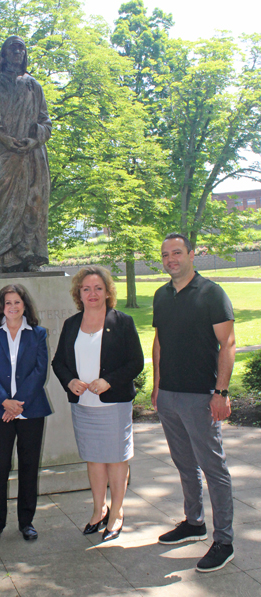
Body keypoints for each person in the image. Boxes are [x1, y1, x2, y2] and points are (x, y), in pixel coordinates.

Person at [152, 233, 236, 573]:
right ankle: (194, 522)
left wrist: (221, 392)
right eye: (165, 254)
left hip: (201, 396)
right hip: (169, 396)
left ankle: (225, 541)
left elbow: (228, 344)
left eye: (176, 252)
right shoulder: (161, 294)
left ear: (190, 254)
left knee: (213, 469)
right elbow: (158, 342)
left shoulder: (212, 293)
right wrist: (157, 388)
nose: (171, 259)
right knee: (185, 464)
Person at [52, 266, 144, 542]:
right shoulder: (71, 324)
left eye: (98, 288)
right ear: (79, 293)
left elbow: (135, 362)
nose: (92, 293)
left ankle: (116, 512)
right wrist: (70, 381)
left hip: (113, 404)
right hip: (84, 406)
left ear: (107, 292)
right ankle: (98, 509)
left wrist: (109, 381)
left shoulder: (122, 322)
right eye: (86, 289)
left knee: (116, 460)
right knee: (94, 459)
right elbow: (59, 362)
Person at [0, 36, 52, 273]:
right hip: (0, 158)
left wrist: (35, 139)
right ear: (3, 54)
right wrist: (0, 136)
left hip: (31, 158)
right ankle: (3, 257)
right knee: (2, 209)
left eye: (22, 48)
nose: (18, 51)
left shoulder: (33, 86)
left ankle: (28, 256)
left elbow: (45, 121)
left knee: (32, 205)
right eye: (12, 48)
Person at [0, 284, 51, 543]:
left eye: (17, 302)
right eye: (7, 303)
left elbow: (40, 372)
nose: (12, 307)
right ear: (1, 307)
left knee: (29, 465)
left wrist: (18, 403)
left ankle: (26, 522)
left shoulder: (38, 334)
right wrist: (4, 402)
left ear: (25, 305)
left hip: (31, 409)